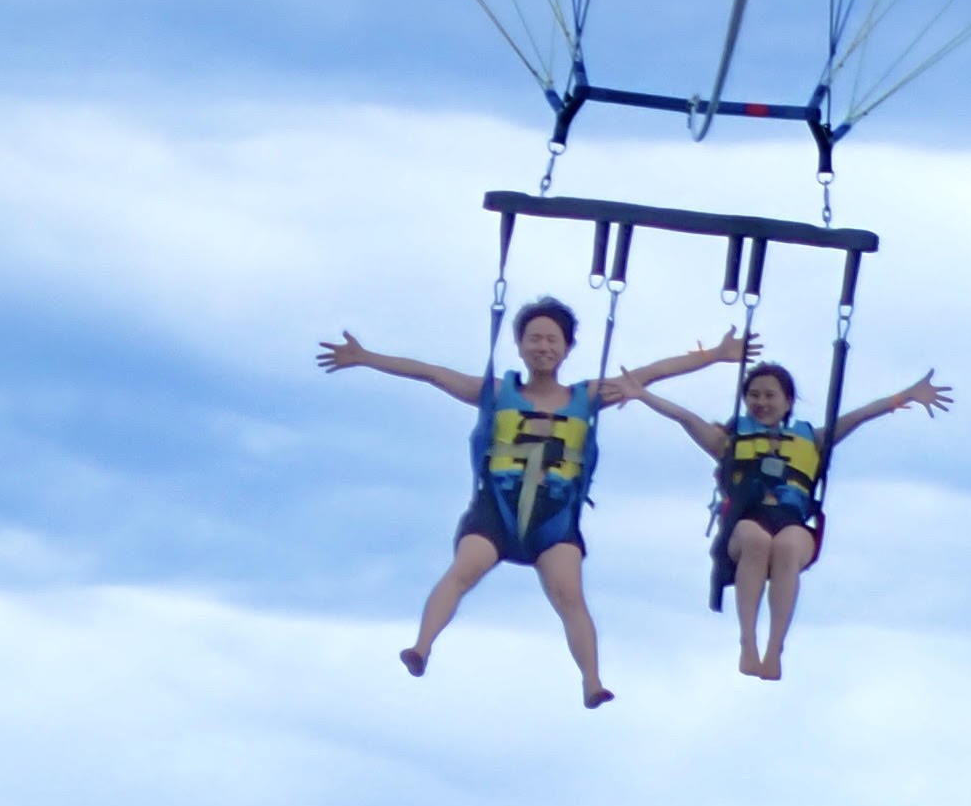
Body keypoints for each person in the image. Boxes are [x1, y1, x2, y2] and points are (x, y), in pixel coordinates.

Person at [316, 300, 738, 706]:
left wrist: (715, 356)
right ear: (519, 345)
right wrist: (366, 357)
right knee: (463, 570)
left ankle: (592, 682)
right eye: (534, 338)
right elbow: (429, 373)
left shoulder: (585, 397)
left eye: (553, 340)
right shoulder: (496, 392)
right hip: (496, 509)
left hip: (553, 518)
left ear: (568, 348)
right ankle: (421, 647)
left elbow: (650, 374)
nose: (543, 347)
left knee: (570, 594)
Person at [633, 353, 952, 678]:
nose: (761, 401)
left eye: (770, 395)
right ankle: (748, 643)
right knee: (757, 540)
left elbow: (858, 417)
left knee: (786, 546)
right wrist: (643, 394)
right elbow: (685, 418)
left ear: (788, 402)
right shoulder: (729, 440)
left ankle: (775, 649)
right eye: (753, 395)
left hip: (792, 522)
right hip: (746, 524)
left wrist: (907, 395)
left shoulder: (811, 439)